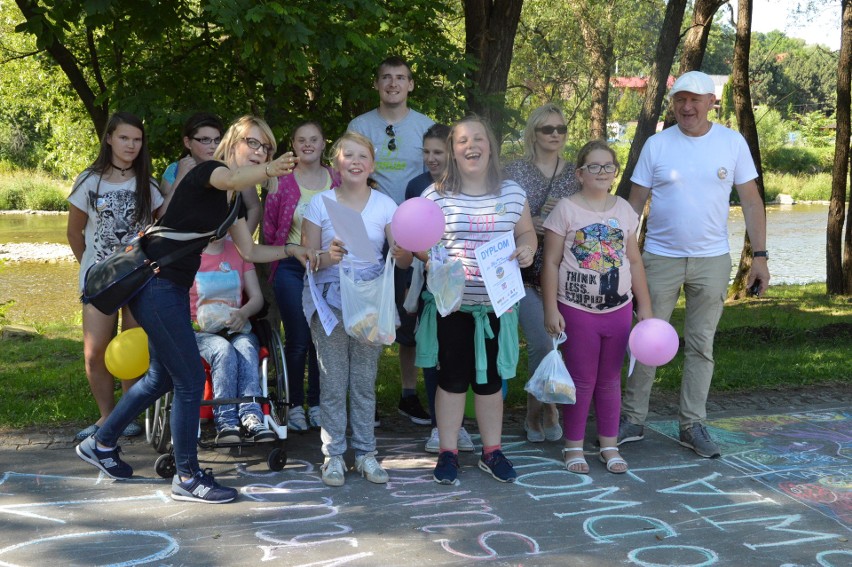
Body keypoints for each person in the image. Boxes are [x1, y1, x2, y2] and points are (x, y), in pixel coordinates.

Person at [75, 115, 313, 504]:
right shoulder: (211, 171)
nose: (259, 151)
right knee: (187, 379)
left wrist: (292, 250)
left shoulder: (234, 202)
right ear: (232, 144)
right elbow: (231, 178)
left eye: (266, 147)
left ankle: (101, 443)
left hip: (166, 286)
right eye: (252, 143)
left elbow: (250, 251)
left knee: (161, 379)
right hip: (156, 284)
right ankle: (187, 475)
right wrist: (268, 170)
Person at [621, 71, 770, 458]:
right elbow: (633, 205)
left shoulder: (732, 142)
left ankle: (693, 424)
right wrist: (623, 256)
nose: (687, 107)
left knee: (702, 345)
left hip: (712, 260)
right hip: (659, 258)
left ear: (711, 103)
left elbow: (752, 201)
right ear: (673, 104)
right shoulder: (657, 145)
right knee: (646, 339)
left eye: (695, 100)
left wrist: (760, 257)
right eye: (679, 100)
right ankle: (633, 419)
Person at [418, 116, 537, 485]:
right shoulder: (434, 195)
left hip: (497, 306)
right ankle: (448, 452)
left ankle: (492, 451)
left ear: (491, 146)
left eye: (479, 138)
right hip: (453, 307)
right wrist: (432, 260)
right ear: (453, 150)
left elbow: (527, 233)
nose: (471, 146)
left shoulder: (513, 192)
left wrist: (527, 250)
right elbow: (420, 245)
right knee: (451, 380)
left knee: (491, 383)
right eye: (462, 140)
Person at [302, 131, 412, 487]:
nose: (355, 161)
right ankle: (333, 456)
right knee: (333, 381)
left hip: (368, 302)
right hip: (330, 300)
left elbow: (404, 255)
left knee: (364, 382)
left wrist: (401, 252)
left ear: (372, 165)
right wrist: (323, 256)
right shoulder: (320, 203)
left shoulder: (386, 205)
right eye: (347, 155)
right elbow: (306, 258)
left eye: (362, 156)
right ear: (337, 162)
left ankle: (366, 454)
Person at [541, 140, 652, 474]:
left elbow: (633, 259)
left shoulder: (624, 211)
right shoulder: (566, 209)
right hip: (576, 311)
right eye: (594, 166)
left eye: (608, 166)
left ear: (615, 172)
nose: (602, 172)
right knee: (582, 380)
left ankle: (609, 445)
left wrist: (644, 306)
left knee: (609, 381)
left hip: (617, 312)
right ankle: (573, 446)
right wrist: (550, 308)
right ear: (580, 173)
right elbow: (550, 262)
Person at [348, 55, 435, 427]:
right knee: (366, 314)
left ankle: (408, 395)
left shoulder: (426, 127)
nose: (393, 84)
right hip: (370, 229)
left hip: (416, 235)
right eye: (386, 77)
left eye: (401, 78)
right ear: (377, 84)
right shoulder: (360, 125)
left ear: (411, 84)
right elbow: (350, 169)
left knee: (410, 316)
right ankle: (362, 400)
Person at [67, 112, 164, 442]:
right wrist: (92, 269)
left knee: (132, 348)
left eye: (137, 140)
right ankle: (107, 417)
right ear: (109, 138)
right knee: (95, 352)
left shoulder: (147, 184)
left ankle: (128, 416)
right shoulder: (88, 181)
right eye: (124, 138)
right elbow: (74, 232)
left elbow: (162, 229)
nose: (131, 145)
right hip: (101, 281)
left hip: (139, 278)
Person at [504, 103, 579, 445]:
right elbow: (498, 217)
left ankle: (548, 406)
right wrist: (526, 227)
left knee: (561, 345)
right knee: (542, 342)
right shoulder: (513, 172)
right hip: (523, 271)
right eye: (547, 129)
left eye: (561, 129)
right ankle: (541, 411)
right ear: (532, 133)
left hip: (568, 273)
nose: (555, 135)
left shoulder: (576, 173)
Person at [264, 121, 340, 433]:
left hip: (327, 268)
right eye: (301, 140)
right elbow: (269, 230)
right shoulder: (281, 181)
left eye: (314, 139)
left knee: (323, 337)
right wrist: (282, 256)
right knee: (298, 336)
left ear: (324, 144)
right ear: (293, 145)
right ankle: (294, 404)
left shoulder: (336, 180)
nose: (307, 145)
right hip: (291, 267)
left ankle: (318, 403)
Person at [404, 124, 475, 455]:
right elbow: (411, 235)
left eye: (438, 152)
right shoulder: (417, 186)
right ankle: (438, 426)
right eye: (426, 152)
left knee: (460, 357)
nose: (432, 159)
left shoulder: (470, 187)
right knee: (434, 356)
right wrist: (427, 257)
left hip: (469, 285)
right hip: (431, 284)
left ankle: (458, 425)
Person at [189, 236, 275, 445]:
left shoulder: (239, 251)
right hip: (199, 331)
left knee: (246, 347)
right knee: (222, 349)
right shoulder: (189, 254)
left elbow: (256, 298)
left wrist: (243, 313)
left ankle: (251, 415)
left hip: (235, 325)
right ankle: (225, 420)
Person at [159, 112, 262, 234]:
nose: (213, 146)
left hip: (223, 246)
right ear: (187, 142)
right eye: (205, 140)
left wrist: (241, 245)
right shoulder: (175, 170)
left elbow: (254, 207)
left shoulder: (233, 169)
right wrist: (180, 178)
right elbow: (161, 217)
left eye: (217, 140)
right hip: (184, 246)